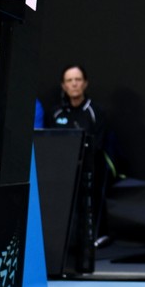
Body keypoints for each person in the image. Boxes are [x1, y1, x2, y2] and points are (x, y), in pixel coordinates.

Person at [47, 64, 113, 247]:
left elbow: (98, 145)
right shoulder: (55, 113)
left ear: (85, 84)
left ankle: (96, 235)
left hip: (89, 167)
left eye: (78, 80)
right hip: (61, 170)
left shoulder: (95, 112)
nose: (74, 84)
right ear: (63, 85)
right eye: (69, 80)